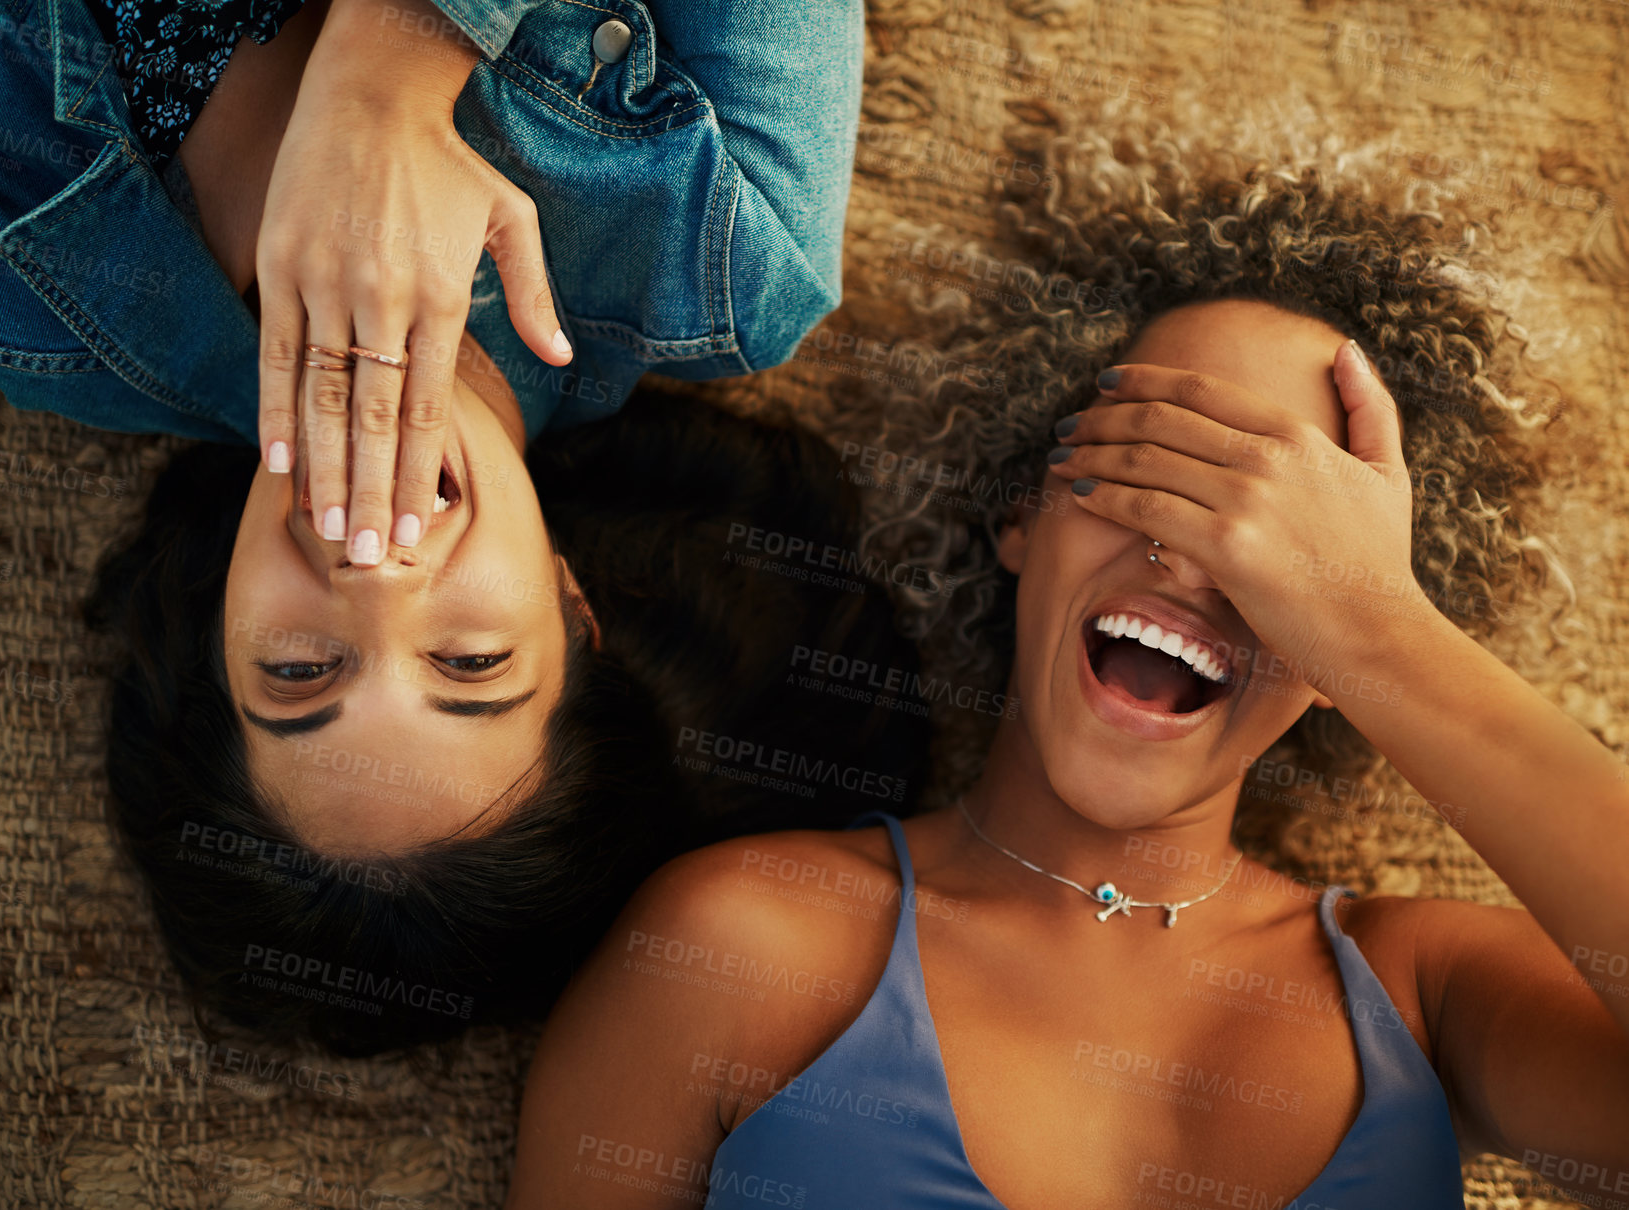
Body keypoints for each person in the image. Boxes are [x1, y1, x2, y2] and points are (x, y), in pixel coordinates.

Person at [503, 136, 1629, 1207]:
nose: (1195, 556)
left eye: (1292, 552)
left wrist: (1386, 635)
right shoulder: (744, 941)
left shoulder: (1424, 993)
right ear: (1021, 513)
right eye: (1148, 468)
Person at [0, 0, 908, 1054]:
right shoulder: (730, 245)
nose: (377, 574)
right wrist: (394, 67)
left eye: (298, 670)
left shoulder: (23, 311)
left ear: (218, 630)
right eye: (468, 661)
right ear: (573, 603)